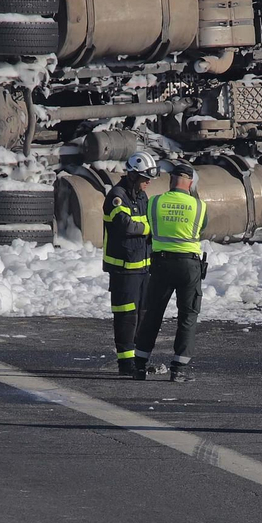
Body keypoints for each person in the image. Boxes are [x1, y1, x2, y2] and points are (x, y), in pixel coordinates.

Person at [133, 162, 208, 382]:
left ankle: (139, 366)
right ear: (190, 183)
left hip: (160, 264)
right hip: (189, 266)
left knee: (152, 315)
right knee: (187, 316)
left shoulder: (155, 202)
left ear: (171, 181)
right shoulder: (200, 206)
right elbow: (202, 228)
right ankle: (179, 370)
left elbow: (149, 227)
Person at [102, 152, 156, 375]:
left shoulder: (141, 196)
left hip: (143, 269)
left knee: (143, 316)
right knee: (126, 317)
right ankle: (125, 364)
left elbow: (142, 221)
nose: (148, 183)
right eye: (144, 178)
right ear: (133, 175)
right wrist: (151, 227)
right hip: (123, 270)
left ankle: (138, 362)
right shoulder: (117, 197)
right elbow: (127, 226)